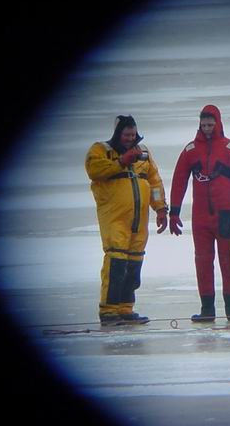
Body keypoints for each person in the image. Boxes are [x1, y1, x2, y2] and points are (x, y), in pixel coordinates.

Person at [169, 104, 230, 322]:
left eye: (210, 124)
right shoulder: (190, 150)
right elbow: (179, 181)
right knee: (203, 261)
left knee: (228, 260)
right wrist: (174, 213)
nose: (206, 128)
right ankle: (207, 308)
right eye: (203, 125)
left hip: (227, 215)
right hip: (200, 218)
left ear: (218, 123)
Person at [85, 115, 168, 325]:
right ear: (117, 134)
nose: (130, 138)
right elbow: (94, 170)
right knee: (116, 261)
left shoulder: (144, 153)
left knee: (134, 262)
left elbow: (155, 183)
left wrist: (160, 208)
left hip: (139, 220)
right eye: (126, 135)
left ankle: (125, 308)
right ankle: (109, 311)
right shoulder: (101, 150)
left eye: (133, 135)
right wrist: (122, 161)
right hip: (114, 218)